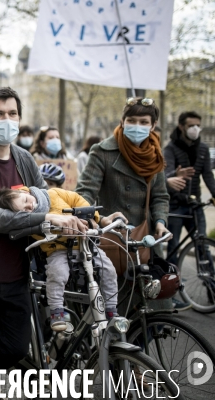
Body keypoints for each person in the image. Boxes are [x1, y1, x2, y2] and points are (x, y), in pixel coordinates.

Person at [0, 87, 86, 398]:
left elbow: (44, 200)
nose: (6, 120)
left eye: (12, 114)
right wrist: (46, 219)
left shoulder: (23, 158)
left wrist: (72, 215)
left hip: (18, 275)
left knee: (15, 348)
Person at [76, 97, 171, 314]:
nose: (137, 126)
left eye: (144, 122)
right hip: (112, 240)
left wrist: (160, 222)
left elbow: (160, 196)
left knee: (148, 309)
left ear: (153, 125)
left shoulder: (155, 155)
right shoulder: (103, 152)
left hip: (146, 240)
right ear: (122, 121)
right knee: (115, 309)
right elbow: (84, 192)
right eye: (132, 120)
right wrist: (93, 218)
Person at [0, 186, 119, 330]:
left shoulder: (53, 194)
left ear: (25, 192)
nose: (30, 206)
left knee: (108, 270)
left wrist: (91, 216)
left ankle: (111, 309)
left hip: (87, 243)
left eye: (26, 200)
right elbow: (23, 225)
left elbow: (76, 198)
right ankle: (57, 312)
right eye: (25, 210)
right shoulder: (32, 221)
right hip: (59, 250)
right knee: (57, 274)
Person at [163, 111, 215, 310]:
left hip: (195, 205)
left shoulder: (202, 149)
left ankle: (211, 287)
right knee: (173, 249)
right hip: (175, 205)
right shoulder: (171, 148)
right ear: (181, 127)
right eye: (191, 125)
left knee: (203, 246)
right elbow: (165, 174)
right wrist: (174, 174)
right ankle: (171, 295)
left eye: (198, 125)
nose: (196, 129)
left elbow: (208, 176)